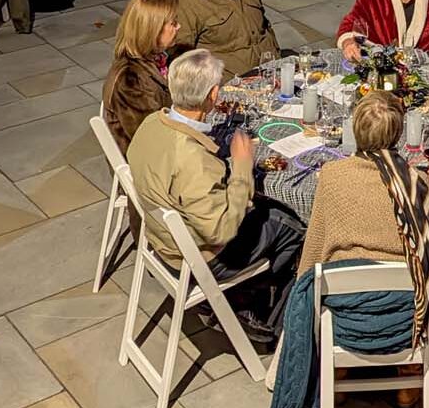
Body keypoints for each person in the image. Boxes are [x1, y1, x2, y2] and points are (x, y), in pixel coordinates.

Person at [294, 91, 429, 408]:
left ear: (355, 131)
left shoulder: (331, 176)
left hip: (346, 317)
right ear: (398, 135)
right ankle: (408, 379)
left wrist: (303, 302)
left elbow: (314, 246)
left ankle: (338, 375)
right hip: (407, 322)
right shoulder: (416, 182)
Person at [127, 49, 305, 338]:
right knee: (292, 226)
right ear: (213, 95)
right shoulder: (191, 159)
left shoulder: (151, 124)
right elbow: (221, 230)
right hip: (195, 258)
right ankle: (262, 314)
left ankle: (250, 297)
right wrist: (242, 166)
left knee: (270, 216)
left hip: (162, 239)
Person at [102, 0, 180, 153]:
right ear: (153, 29)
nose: (179, 27)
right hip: (147, 160)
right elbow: (150, 137)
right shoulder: (130, 81)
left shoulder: (159, 58)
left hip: (168, 142)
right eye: (173, 23)